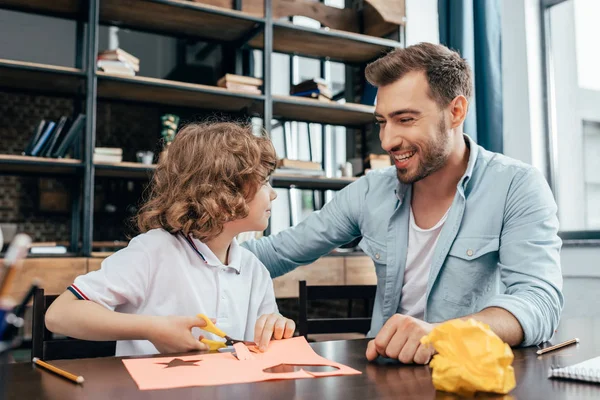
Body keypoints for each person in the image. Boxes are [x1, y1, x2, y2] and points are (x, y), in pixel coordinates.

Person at [243, 43, 563, 364]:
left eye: (405, 119)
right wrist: (194, 256)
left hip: (468, 377)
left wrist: (442, 334)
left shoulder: (516, 186)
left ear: (456, 111)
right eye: (382, 121)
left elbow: (540, 301)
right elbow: (274, 254)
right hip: (383, 375)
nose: (387, 140)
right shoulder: (370, 191)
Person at [46, 122, 295, 356]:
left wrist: (277, 326)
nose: (273, 194)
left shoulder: (255, 270)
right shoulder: (153, 251)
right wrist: (151, 329)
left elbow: (264, 341)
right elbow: (60, 314)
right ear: (223, 191)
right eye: (263, 182)